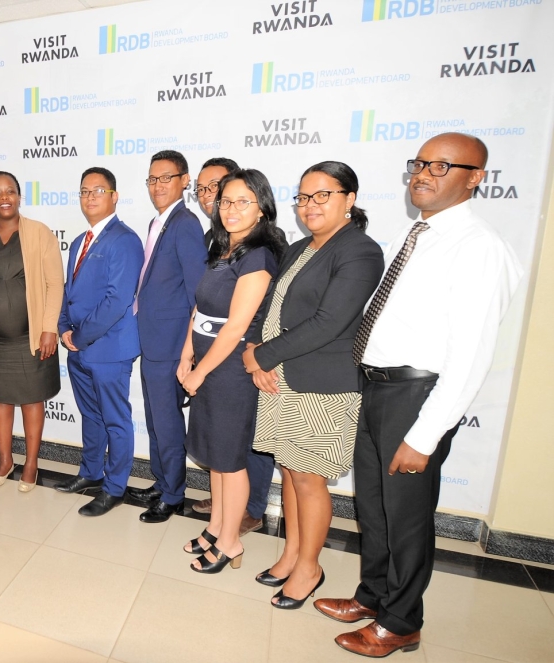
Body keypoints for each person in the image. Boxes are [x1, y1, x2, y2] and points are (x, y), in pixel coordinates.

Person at [315, 134, 522, 658]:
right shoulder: (422, 234)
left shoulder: (479, 247)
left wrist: (426, 434)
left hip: (415, 396)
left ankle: (402, 621)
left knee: (406, 514)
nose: (423, 174)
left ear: (475, 177)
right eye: (420, 163)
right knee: (376, 507)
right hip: (377, 387)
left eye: (442, 165)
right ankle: (374, 596)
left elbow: (471, 356)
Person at [242, 162, 384, 609]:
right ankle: (290, 553)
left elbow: (329, 323)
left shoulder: (360, 251)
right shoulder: (300, 247)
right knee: (289, 469)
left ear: (349, 199)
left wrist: (260, 356)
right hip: (281, 377)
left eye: (323, 195)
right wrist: (251, 346)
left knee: (309, 478)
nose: (310, 205)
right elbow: (270, 305)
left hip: (323, 383)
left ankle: (310, 567)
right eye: (303, 197)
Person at [180, 169, 282, 573]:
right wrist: (186, 352)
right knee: (216, 459)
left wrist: (200, 372)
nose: (231, 209)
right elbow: (200, 308)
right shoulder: (223, 248)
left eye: (243, 201)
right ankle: (216, 527)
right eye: (225, 201)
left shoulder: (259, 254)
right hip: (205, 361)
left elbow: (237, 327)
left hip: (229, 372)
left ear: (262, 208)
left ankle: (231, 541)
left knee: (231, 460)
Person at [0, 171, 64, 491]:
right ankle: (5, 460)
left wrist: (49, 329)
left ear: (19, 197)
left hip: (30, 337)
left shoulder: (39, 233)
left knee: (32, 400)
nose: (4, 197)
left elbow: (54, 284)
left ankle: (31, 463)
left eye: (10, 192)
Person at [54, 167, 144, 516]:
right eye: (84, 191)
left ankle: (115, 486)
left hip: (108, 349)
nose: (90, 197)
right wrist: (64, 327)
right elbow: (69, 293)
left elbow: (117, 299)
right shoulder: (79, 241)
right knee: (91, 416)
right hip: (78, 348)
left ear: (114, 196)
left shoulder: (125, 240)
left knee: (115, 419)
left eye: (98, 190)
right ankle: (90, 473)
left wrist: (79, 335)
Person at [128, 150, 208, 523]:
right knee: (158, 420)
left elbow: (198, 294)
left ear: (184, 180)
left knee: (169, 423)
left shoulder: (185, 223)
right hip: (153, 341)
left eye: (166, 178)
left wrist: (187, 352)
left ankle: (174, 495)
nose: (158, 186)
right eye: (152, 179)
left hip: (172, 343)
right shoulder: (157, 222)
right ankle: (162, 482)